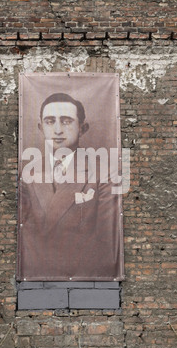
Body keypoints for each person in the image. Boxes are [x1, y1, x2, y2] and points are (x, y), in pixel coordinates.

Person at [18, 93, 122, 281]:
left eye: (66, 122)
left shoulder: (103, 173)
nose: (58, 130)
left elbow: (106, 239)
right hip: (38, 276)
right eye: (50, 122)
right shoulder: (28, 174)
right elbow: (26, 235)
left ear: (82, 128)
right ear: (40, 128)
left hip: (84, 277)